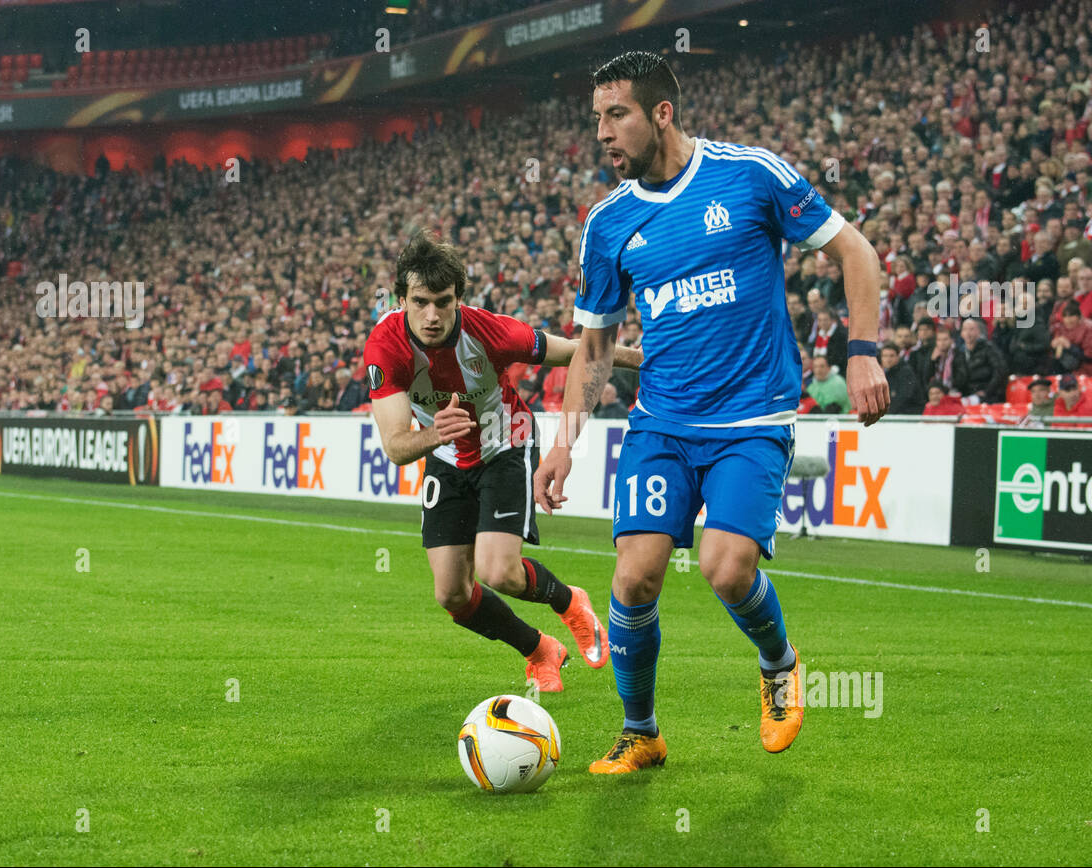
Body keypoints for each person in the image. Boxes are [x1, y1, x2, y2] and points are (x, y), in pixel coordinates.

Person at [532, 52, 888, 773]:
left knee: (726, 570)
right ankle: (642, 733)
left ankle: (779, 663)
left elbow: (855, 251)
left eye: (616, 115)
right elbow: (595, 347)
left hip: (751, 418)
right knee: (633, 578)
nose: (601, 133)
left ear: (662, 112)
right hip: (662, 423)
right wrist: (564, 441)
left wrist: (863, 350)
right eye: (596, 118)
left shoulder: (751, 175)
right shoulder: (608, 225)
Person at [364, 231, 642, 692]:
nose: (431, 315)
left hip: (504, 444)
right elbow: (395, 446)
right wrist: (437, 434)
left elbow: (577, 351)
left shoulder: (489, 331)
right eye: (419, 302)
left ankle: (570, 601)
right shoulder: (385, 346)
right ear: (400, 300)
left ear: (459, 300)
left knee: (499, 572)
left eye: (442, 302)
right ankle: (539, 649)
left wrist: (645, 359)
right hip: (446, 456)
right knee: (451, 594)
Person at [880, 343, 925, 414]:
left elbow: (903, 398)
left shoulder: (906, 372)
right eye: (885, 356)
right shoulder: (887, 373)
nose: (888, 359)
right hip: (897, 414)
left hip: (909, 415)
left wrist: (887, 413)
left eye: (891, 356)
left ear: (898, 357)